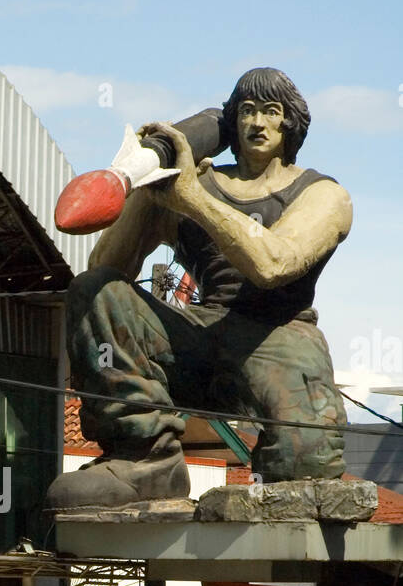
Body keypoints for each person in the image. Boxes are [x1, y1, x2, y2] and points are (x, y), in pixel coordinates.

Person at [46, 67, 352, 511]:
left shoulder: (323, 194)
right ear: (231, 123)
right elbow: (107, 268)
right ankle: (146, 458)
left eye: (271, 112)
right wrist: (146, 186)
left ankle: (293, 456)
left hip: (281, 335)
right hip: (202, 334)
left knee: (304, 465)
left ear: (291, 124)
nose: (256, 123)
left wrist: (192, 197)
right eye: (245, 112)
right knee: (96, 290)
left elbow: (274, 264)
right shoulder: (197, 182)